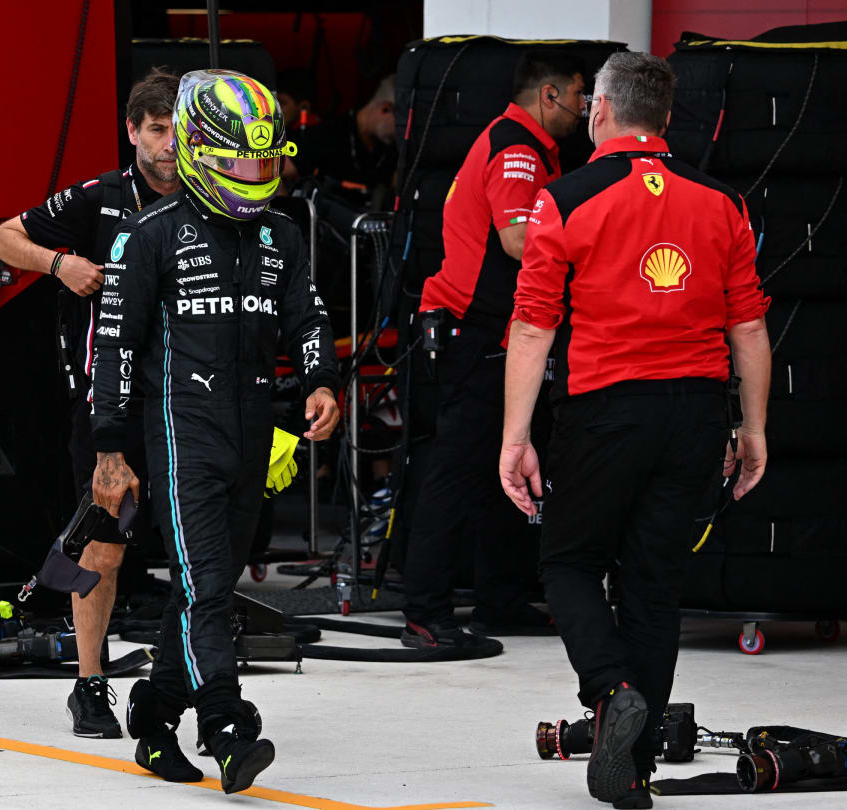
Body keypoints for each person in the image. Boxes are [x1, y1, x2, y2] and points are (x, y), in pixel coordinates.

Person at [501, 51, 770, 808]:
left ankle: (611, 690)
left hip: (603, 411)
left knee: (570, 563)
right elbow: (748, 328)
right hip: (694, 412)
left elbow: (532, 327)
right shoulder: (724, 202)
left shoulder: (566, 198)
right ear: (664, 118)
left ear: (602, 113)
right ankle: (634, 765)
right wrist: (752, 428)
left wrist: (514, 438)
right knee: (655, 585)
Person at [91, 69, 339, 794]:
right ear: (201, 151)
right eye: (238, 161)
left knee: (207, 584)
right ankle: (227, 728)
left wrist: (322, 383)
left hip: (254, 435)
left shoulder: (282, 233)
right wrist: (110, 446)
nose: (253, 175)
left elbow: (311, 320)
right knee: (206, 590)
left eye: (263, 161)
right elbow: (115, 346)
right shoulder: (148, 235)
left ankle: (156, 711)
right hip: (182, 434)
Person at [0, 67, 179, 740]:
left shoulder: (212, 199)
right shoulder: (99, 197)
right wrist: (59, 264)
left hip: (186, 397)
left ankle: (184, 676)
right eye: (157, 130)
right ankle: (89, 684)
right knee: (104, 545)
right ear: (132, 130)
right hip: (108, 402)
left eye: (180, 131)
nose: (169, 146)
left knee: (194, 545)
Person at [401, 50, 587, 651]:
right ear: (549, 95)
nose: (586, 108)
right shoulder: (515, 148)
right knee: (458, 471)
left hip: (497, 332)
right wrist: (594, 244)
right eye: (580, 95)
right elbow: (514, 239)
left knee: (506, 468)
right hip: (476, 332)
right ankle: (427, 614)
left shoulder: (528, 145)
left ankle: (501, 600)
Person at [288, 74, 396, 209]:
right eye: (400, 122)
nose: (402, 131)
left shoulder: (388, 149)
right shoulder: (330, 132)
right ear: (385, 109)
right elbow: (282, 168)